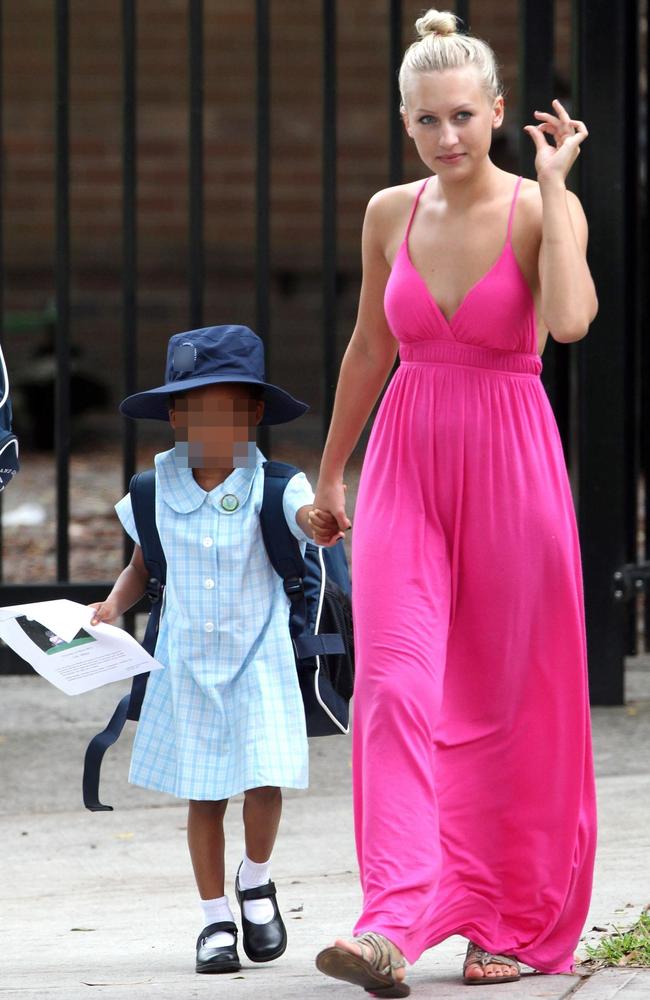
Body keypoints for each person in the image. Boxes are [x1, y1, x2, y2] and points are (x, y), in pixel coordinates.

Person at [310, 9, 598, 996]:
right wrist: (330, 471)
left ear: (500, 112)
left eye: (463, 116)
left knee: (507, 698)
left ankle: (505, 919)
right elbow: (364, 349)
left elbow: (565, 322)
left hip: (511, 462)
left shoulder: (535, 207)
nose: (445, 137)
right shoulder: (388, 212)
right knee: (392, 683)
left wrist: (557, 191)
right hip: (404, 458)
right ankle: (390, 919)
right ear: (404, 124)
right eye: (426, 121)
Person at [90, 324, 321, 975]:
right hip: (187, 665)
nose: (211, 423)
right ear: (174, 415)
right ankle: (215, 918)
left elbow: (306, 519)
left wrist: (319, 522)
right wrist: (112, 606)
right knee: (203, 795)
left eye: (226, 409)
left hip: (259, 658)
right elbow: (143, 565)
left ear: (253, 413)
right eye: (195, 409)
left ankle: (257, 880)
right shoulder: (154, 489)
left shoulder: (275, 486)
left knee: (264, 780)